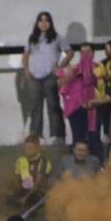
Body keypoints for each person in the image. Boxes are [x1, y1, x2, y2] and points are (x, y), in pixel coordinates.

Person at [22, 11, 70, 142]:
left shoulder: (57, 38)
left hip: (50, 76)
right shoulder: (32, 38)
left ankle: (58, 136)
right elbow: (25, 55)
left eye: (46, 20)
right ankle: (35, 136)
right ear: (37, 23)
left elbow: (70, 52)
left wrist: (60, 66)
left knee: (53, 106)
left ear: (50, 23)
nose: (43, 23)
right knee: (35, 107)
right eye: (41, 20)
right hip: (34, 77)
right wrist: (26, 69)